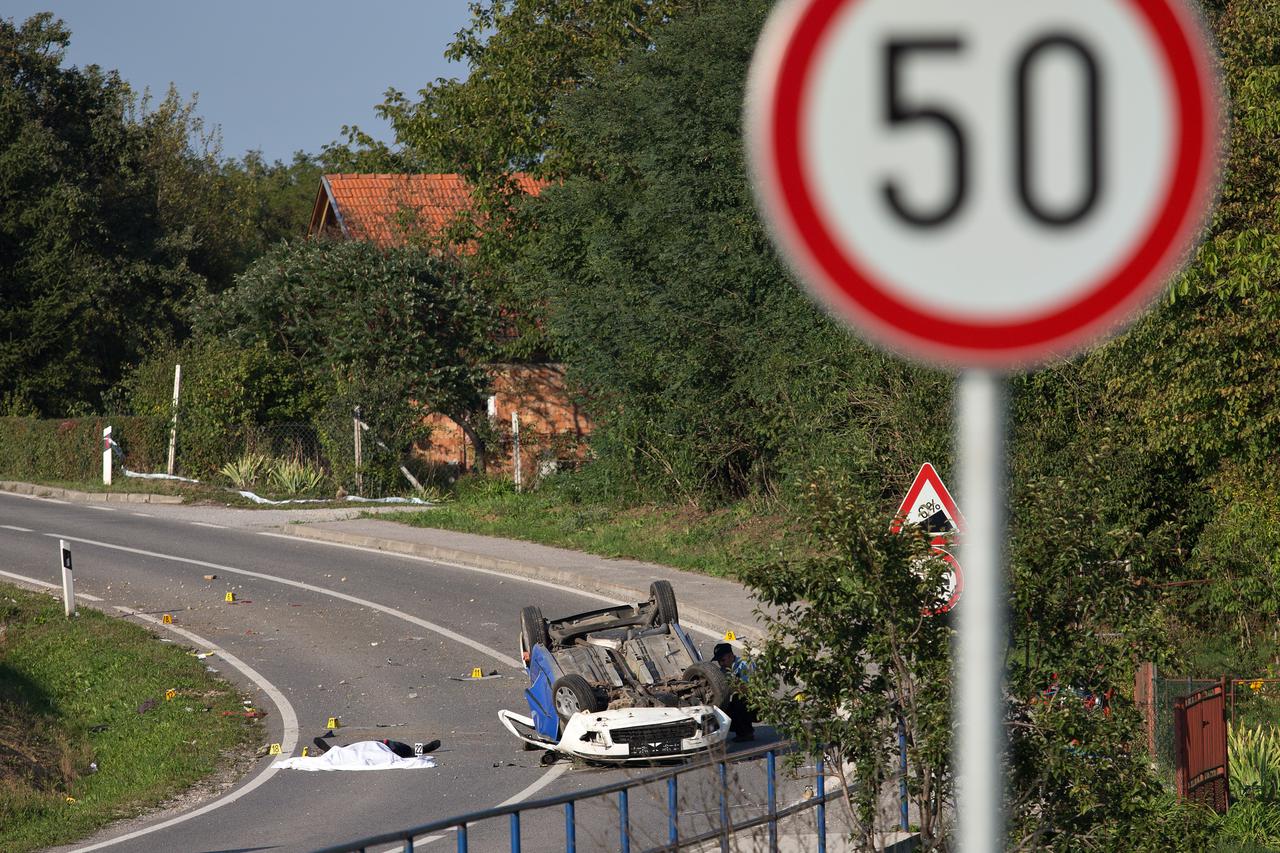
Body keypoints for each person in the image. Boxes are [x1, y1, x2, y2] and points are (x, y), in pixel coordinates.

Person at [712, 642, 755, 742]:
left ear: (731, 656)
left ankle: (746, 733)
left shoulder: (745, 665)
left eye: (723, 660)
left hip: (755, 702)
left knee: (738, 699)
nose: (721, 664)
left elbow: (748, 688)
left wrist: (731, 687)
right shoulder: (724, 669)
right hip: (741, 700)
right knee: (721, 707)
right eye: (719, 661)